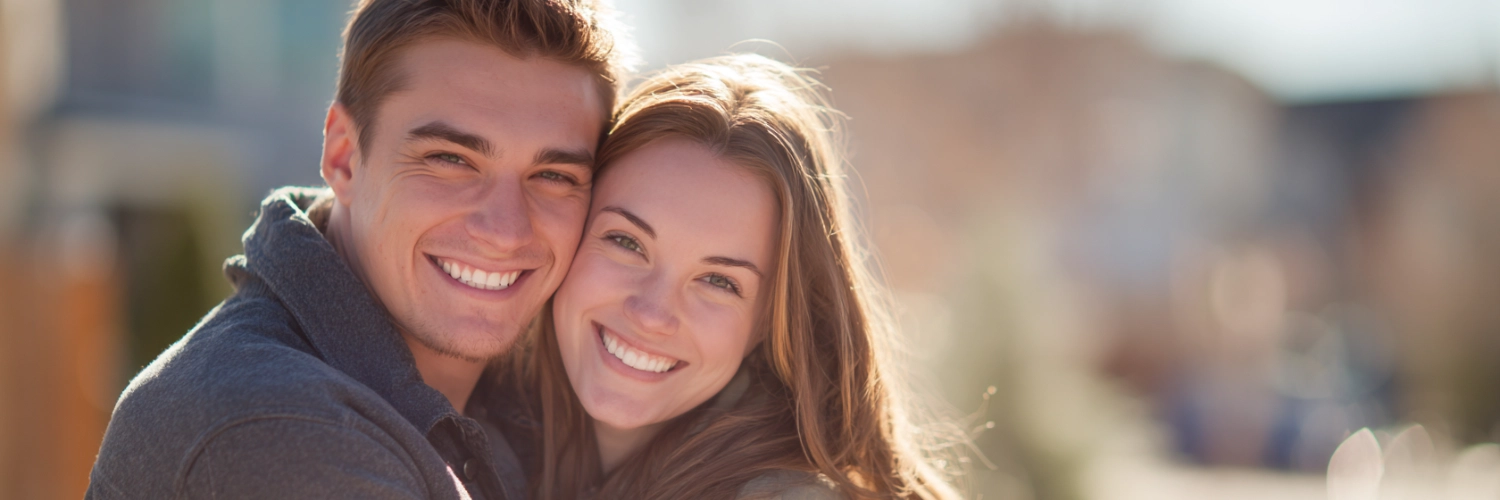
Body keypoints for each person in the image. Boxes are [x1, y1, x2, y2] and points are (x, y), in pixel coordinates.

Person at [87, 1, 632, 498]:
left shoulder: (544, 394)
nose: (507, 230)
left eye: (554, 175)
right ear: (344, 156)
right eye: (451, 160)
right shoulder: (277, 428)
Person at [507, 54, 965, 499]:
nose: (651, 313)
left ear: (770, 321)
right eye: (627, 243)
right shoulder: (475, 426)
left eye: (719, 281)